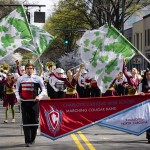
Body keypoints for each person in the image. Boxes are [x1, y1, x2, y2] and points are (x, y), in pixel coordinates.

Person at [15, 63, 46, 147]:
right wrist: (18, 98)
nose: (29, 70)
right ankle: (27, 140)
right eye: (27, 68)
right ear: (25, 69)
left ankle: (32, 139)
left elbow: (43, 89)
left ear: (33, 69)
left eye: (31, 68)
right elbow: (17, 90)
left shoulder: (38, 78)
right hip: (24, 103)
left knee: (35, 121)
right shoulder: (20, 79)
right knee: (26, 122)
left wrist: (39, 96)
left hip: (34, 103)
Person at [138, 68, 150, 143]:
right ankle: (149, 135)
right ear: (145, 75)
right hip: (146, 104)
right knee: (148, 119)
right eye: (147, 74)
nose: (149, 76)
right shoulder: (142, 84)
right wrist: (141, 93)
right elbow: (139, 92)